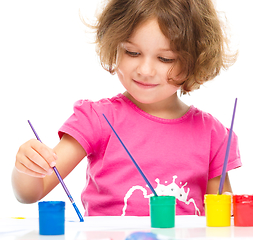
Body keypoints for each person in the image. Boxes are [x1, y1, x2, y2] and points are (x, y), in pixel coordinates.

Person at [12, 0, 241, 216]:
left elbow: (221, 219)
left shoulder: (213, 135)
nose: (145, 70)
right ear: (114, 45)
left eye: (165, 58)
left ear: (196, 59)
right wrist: (27, 167)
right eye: (132, 52)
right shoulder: (97, 119)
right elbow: (32, 192)